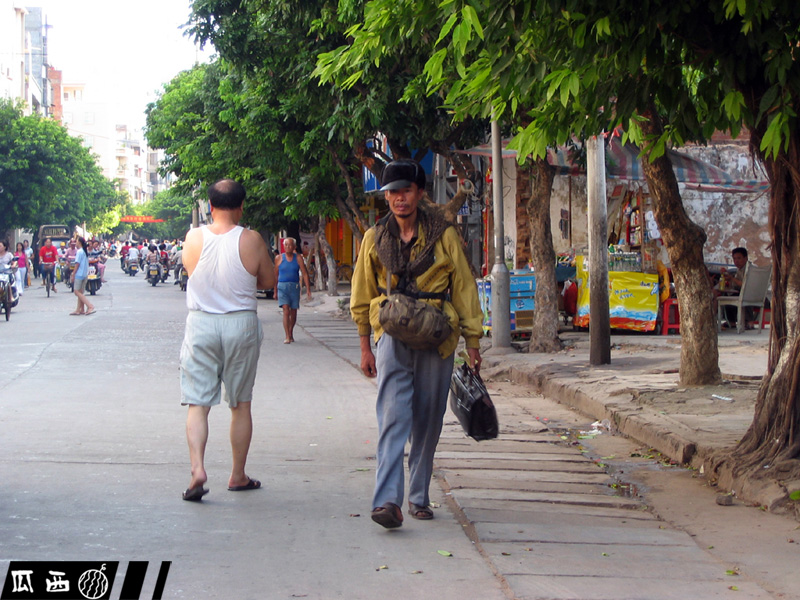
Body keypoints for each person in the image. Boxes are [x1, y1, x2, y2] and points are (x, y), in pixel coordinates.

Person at [350, 159, 483, 529]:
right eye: (392, 192)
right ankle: (387, 501)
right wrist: (365, 346)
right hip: (391, 334)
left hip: (438, 334)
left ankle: (419, 495)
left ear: (420, 193)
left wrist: (473, 341)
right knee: (393, 416)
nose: (399, 198)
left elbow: (464, 288)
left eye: (406, 190)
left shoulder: (444, 235)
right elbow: (361, 295)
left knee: (428, 418)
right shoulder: (374, 238)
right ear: (386, 197)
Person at [180, 179, 275, 502]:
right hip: (241, 325)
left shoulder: (194, 238)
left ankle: (197, 469)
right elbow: (268, 280)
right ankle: (237, 475)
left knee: (198, 403)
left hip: (201, 323)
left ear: (210, 206)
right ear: (241, 206)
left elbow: (191, 272)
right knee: (240, 403)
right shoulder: (252, 239)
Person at [273, 237, 312, 344]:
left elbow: (304, 273)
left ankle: (290, 332)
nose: (288, 247)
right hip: (282, 287)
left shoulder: (298, 258)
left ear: (294, 247)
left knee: (293, 312)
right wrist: (275, 291)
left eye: (290, 245)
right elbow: (275, 275)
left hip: (294, 287)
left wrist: (308, 289)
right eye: (286, 245)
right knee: (286, 310)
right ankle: (287, 336)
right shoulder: (279, 258)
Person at [720, 247, 755, 327]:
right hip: (745, 293)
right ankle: (731, 321)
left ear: (746, 258)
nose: (736, 261)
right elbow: (735, 284)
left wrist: (732, 279)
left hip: (752, 294)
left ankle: (749, 321)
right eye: (734, 258)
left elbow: (745, 285)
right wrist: (729, 278)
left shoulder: (749, 269)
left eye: (739, 258)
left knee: (740, 295)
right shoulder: (739, 270)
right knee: (728, 295)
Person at [69, 237, 95, 316]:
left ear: (79, 242)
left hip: (79, 274)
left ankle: (90, 306)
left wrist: (73, 274)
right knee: (80, 292)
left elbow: (77, 264)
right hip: (84, 274)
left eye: (76, 241)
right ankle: (79, 309)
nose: (75, 243)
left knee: (76, 291)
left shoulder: (79, 251)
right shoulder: (84, 251)